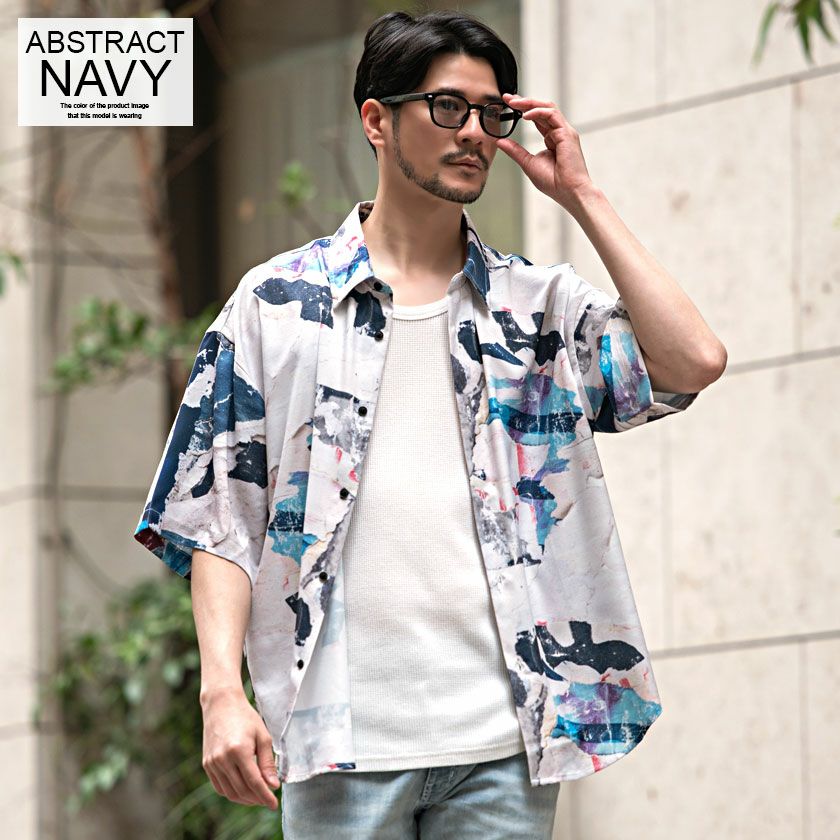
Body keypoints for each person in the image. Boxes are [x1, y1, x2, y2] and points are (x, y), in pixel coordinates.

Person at [133, 9, 727, 839]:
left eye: (493, 113)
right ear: (377, 120)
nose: (474, 132)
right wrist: (221, 694)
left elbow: (692, 361)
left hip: (504, 746)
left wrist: (582, 197)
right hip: (341, 741)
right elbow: (219, 518)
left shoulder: (536, 309)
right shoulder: (276, 307)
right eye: (448, 107)